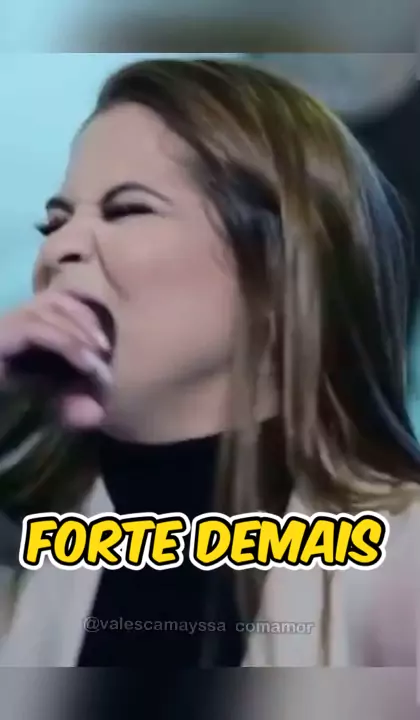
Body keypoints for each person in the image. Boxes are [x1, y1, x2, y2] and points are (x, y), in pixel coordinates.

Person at [0, 58, 418, 669]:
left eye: (127, 210)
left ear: (278, 272)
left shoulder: (397, 562)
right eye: (54, 222)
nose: (59, 248)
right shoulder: (29, 543)